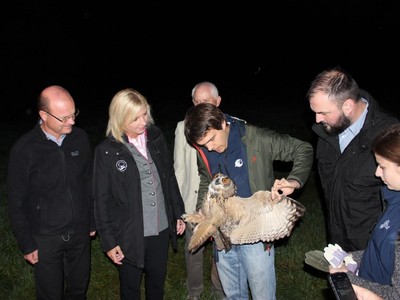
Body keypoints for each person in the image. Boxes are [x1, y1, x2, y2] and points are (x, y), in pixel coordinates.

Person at [184, 103, 314, 300]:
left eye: (212, 139)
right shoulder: (204, 148)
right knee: (233, 295)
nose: (209, 148)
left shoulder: (255, 138)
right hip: (223, 235)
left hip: (256, 231)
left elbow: (302, 149)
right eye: (203, 145)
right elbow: (206, 177)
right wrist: (204, 207)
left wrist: (294, 181)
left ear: (222, 123)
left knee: (263, 296)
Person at [93, 88, 186, 300]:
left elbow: (168, 177)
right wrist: (109, 241)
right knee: (130, 287)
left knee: (156, 284)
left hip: (161, 227)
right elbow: (101, 199)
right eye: (135, 118)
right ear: (120, 119)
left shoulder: (155, 136)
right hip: (129, 232)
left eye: (144, 114)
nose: (143, 122)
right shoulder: (107, 151)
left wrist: (178, 213)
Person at [7, 85, 95, 299]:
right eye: (64, 118)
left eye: (73, 115)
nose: (72, 122)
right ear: (43, 115)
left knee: (78, 289)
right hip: (45, 238)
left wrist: (91, 221)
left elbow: (88, 183)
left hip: (79, 233)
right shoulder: (24, 149)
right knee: (50, 294)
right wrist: (26, 242)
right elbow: (16, 200)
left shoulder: (80, 139)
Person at [307, 67, 399, 252]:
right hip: (338, 242)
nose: (317, 120)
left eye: (323, 112)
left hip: (374, 247)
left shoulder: (389, 136)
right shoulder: (327, 132)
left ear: (347, 106)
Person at [328, 124, 400, 299]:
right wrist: (353, 257)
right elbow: (383, 252)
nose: (376, 173)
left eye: (382, 166)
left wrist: (346, 278)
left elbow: (394, 294)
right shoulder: (394, 199)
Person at [173, 81, 224, 300]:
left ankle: (220, 286)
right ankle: (194, 289)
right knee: (193, 247)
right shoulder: (181, 128)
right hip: (193, 197)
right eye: (197, 103)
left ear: (218, 102)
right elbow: (179, 169)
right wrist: (179, 206)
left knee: (221, 246)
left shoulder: (225, 126)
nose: (201, 106)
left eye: (207, 102)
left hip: (219, 200)